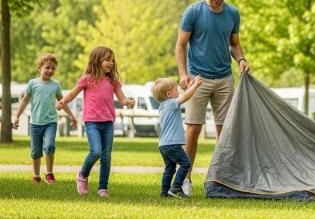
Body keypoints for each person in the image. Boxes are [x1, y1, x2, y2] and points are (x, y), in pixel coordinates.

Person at [175, 0, 250, 196]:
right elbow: (180, 45)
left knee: (225, 133)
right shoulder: (193, 12)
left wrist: (242, 59)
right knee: (193, 130)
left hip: (225, 79)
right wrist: (183, 74)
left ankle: (220, 181)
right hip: (198, 79)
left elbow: (234, 44)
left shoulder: (233, 14)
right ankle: (185, 179)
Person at [57, 46, 135, 198]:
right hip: (92, 122)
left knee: (106, 156)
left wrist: (128, 102)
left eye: (112, 60)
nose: (111, 63)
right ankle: (82, 175)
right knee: (96, 151)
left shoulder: (113, 81)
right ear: (97, 60)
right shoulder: (87, 78)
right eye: (107, 60)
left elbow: (121, 98)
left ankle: (102, 188)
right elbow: (73, 93)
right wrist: (62, 101)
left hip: (108, 122)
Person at [13, 53, 78, 184]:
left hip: (51, 122)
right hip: (35, 123)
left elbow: (62, 102)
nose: (50, 70)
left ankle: (49, 173)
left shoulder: (56, 84)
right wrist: (17, 116)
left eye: (53, 68)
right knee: (35, 151)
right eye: (47, 67)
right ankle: (36, 175)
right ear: (40, 67)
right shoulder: (32, 83)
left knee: (49, 147)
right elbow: (25, 101)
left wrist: (71, 116)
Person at [152, 77, 202, 198]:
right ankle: (176, 188)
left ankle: (164, 193)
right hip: (172, 144)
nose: (178, 91)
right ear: (169, 94)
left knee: (169, 169)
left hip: (164, 145)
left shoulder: (163, 106)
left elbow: (183, 96)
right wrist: (195, 86)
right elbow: (184, 98)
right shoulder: (171, 103)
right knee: (185, 164)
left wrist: (189, 87)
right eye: (176, 89)